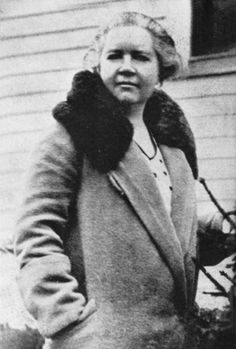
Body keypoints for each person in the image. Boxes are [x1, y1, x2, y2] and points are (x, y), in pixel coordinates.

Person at [14, 11, 228, 349]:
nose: (126, 66)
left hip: (171, 339)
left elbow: (164, 236)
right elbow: (34, 236)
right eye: (115, 55)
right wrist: (68, 322)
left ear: (161, 72)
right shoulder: (71, 135)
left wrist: (219, 227)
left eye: (141, 57)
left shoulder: (175, 151)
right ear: (98, 67)